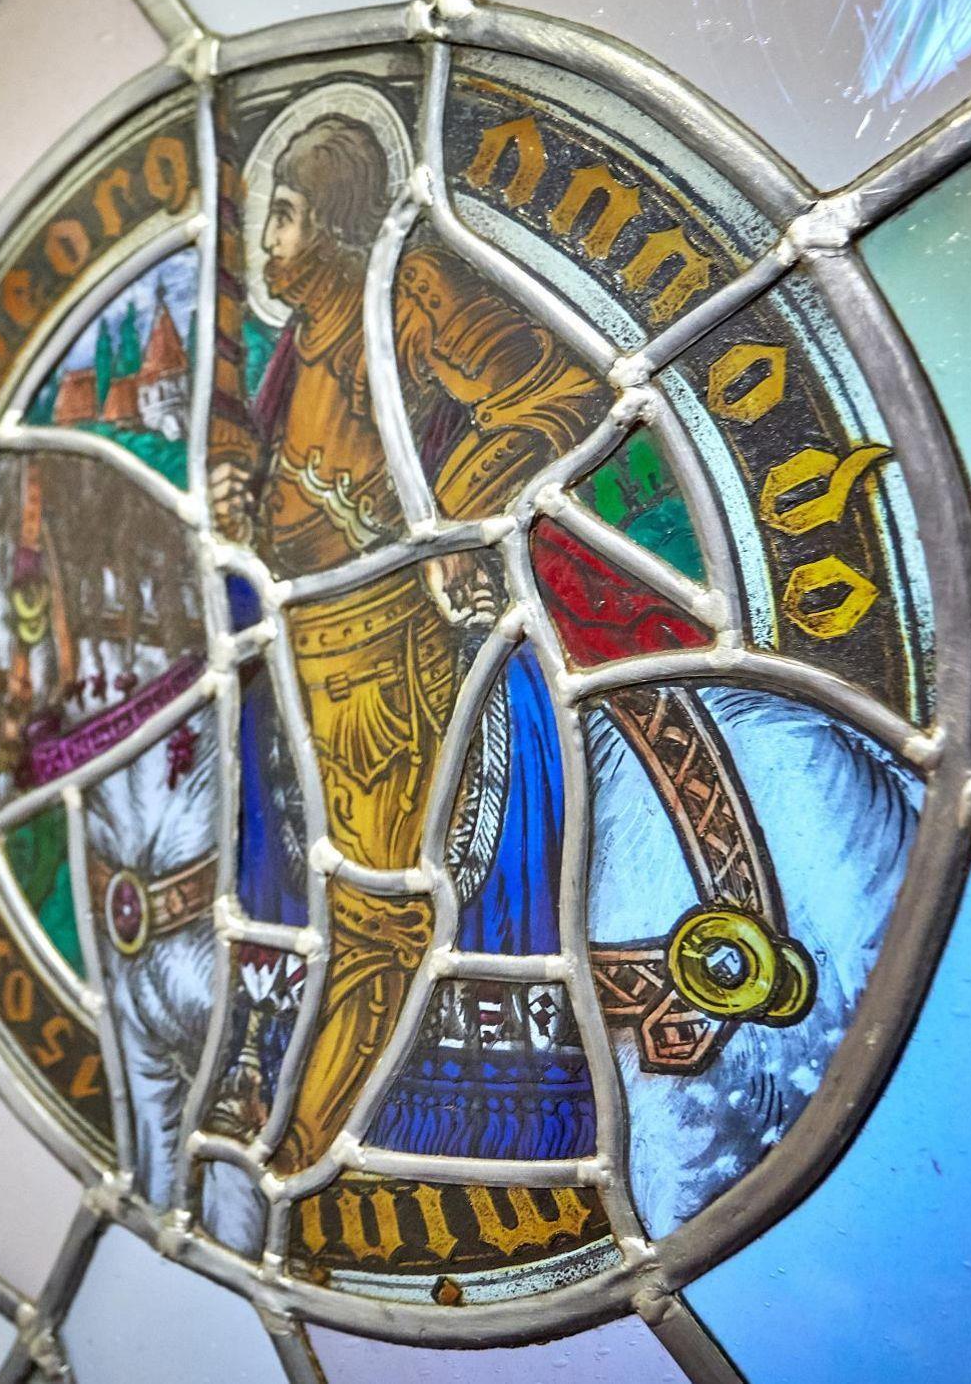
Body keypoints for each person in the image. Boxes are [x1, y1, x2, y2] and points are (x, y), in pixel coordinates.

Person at [208, 110, 607, 1172]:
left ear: (339, 221)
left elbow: (559, 390)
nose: (266, 243)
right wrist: (240, 489)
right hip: (297, 644)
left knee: (379, 912)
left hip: (382, 652)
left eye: (284, 216)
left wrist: (454, 517)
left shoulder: (409, 292)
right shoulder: (300, 338)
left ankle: (307, 1138)